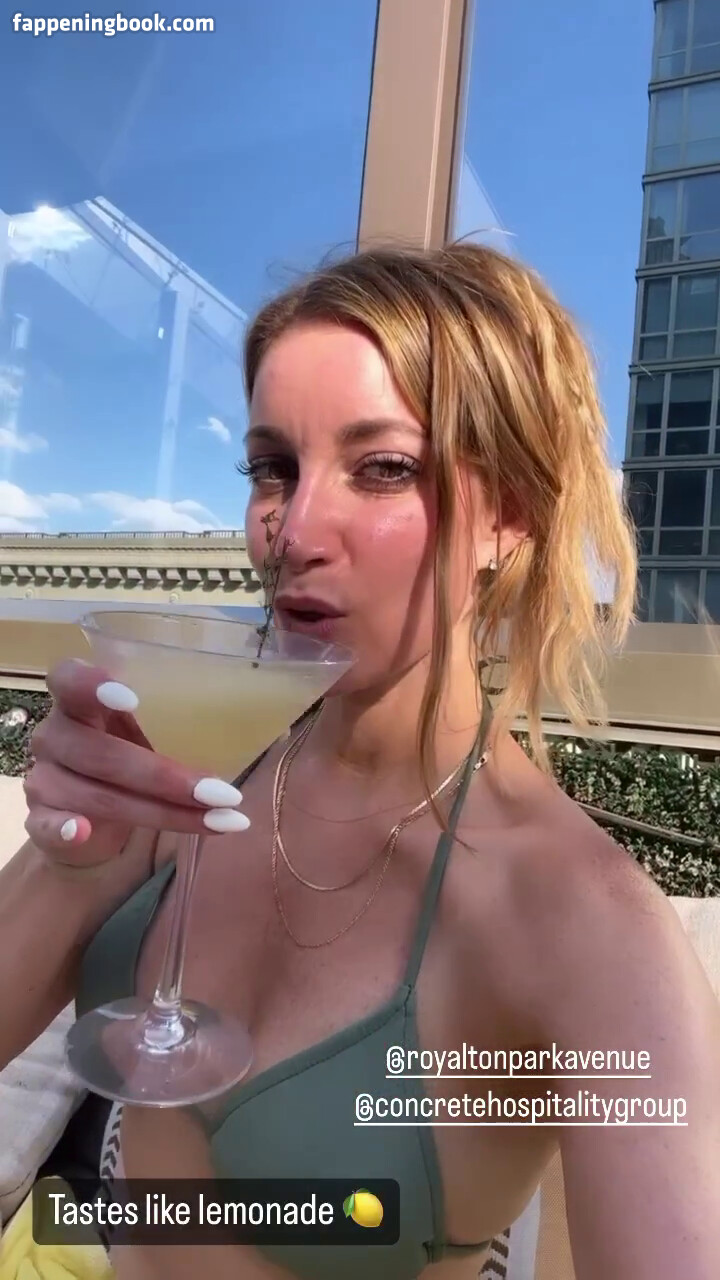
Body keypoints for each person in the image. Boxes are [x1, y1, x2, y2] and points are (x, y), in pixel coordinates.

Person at [1, 242, 718, 1280]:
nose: (293, 531)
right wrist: (72, 868)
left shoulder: (585, 927)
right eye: (273, 467)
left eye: (383, 468)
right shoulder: (198, 762)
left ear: (510, 514)